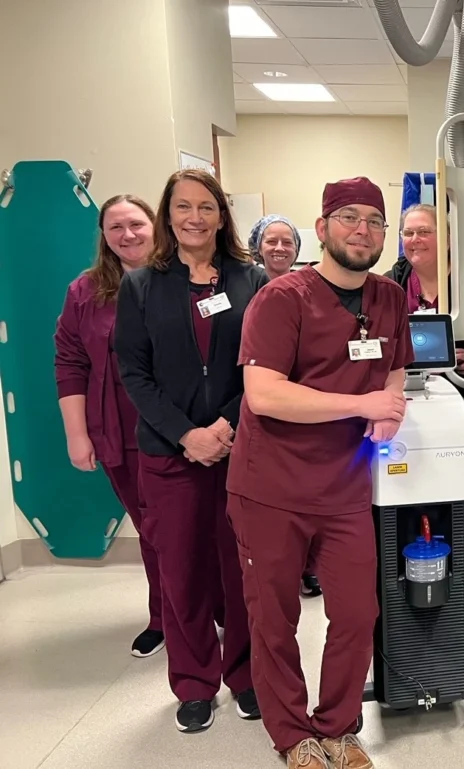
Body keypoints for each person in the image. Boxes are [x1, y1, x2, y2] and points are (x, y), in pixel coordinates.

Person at [227, 177, 412, 769]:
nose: (364, 230)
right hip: (271, 487)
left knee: (359, 611)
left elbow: (394, 368)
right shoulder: (282, 298)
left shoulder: (388, 297)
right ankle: (292, 735)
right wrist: (362, 406)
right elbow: (264, 394)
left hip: (345, 487)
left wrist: (391, 405)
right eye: (350, 218)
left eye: (375, 222)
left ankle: (337, 727)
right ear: (324, 225)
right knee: (274, 616)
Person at [115, 169, 269, 734]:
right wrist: (187, 434)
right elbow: (133, 371)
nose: (195, 218)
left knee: (241, 570)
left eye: (207, 207)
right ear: (168, 214)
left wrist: (225, 425)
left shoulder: (249, 279)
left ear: (222, 216)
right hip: (168, 452)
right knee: (180, 572)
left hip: (238, 451)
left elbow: (262, 364)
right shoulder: (141, 286)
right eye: (184, 207)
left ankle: (247, 676)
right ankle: (194, 683)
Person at [54, 194, 165, 658]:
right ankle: (164, 616)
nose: (128, 235)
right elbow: (70, 362)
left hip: (177, 428)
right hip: (118, 429)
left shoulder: (177, 279)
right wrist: (77, 434)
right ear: (104, 236)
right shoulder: (86, 291)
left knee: (191, 527)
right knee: (150, 529)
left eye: (136, 224)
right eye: (115, 227)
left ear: (154, 226)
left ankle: (214, 610)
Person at [384, 203, 464, 532]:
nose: (415, 240)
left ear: (447, 238)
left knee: (461, 495)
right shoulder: (392, 285)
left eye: (425, 232)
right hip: (410, 409)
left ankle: (460, 567)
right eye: (408, 233)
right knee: (411, 492)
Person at [247, 214, 322, 600]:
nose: (278, 248)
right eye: (270, 240)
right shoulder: (245, 287)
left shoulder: (313, 288)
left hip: (310, 408)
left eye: (287, 241)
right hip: (264, 408)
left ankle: (310, 568)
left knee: (310, 497)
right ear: (256, 244)